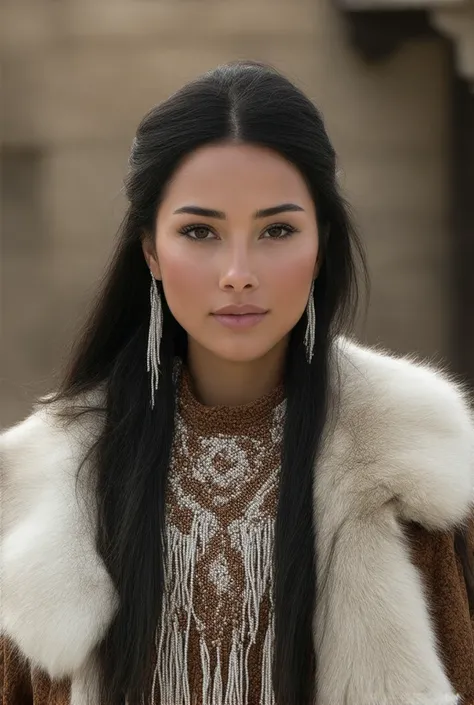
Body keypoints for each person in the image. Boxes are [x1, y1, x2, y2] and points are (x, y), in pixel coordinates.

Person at [0, 59, 473, 705]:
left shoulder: (412, 461)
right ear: (150, 251)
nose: (238, 272)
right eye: (200, 232)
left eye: (277, 230)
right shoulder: (50, 475)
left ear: (320, 245)